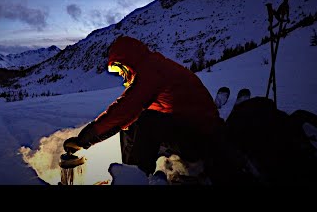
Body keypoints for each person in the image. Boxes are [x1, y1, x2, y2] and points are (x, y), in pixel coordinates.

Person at [63, 35, 252, 184]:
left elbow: (124, 110)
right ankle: (130, 172)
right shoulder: (155, 66)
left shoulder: (151, 71)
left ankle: (135, 178)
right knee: (133, 123)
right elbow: (127, 116)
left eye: (120, 70)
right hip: (195, 131)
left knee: (145, 120)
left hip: (204, 138)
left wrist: (84, 139)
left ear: (127, 63)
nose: (121, 76)